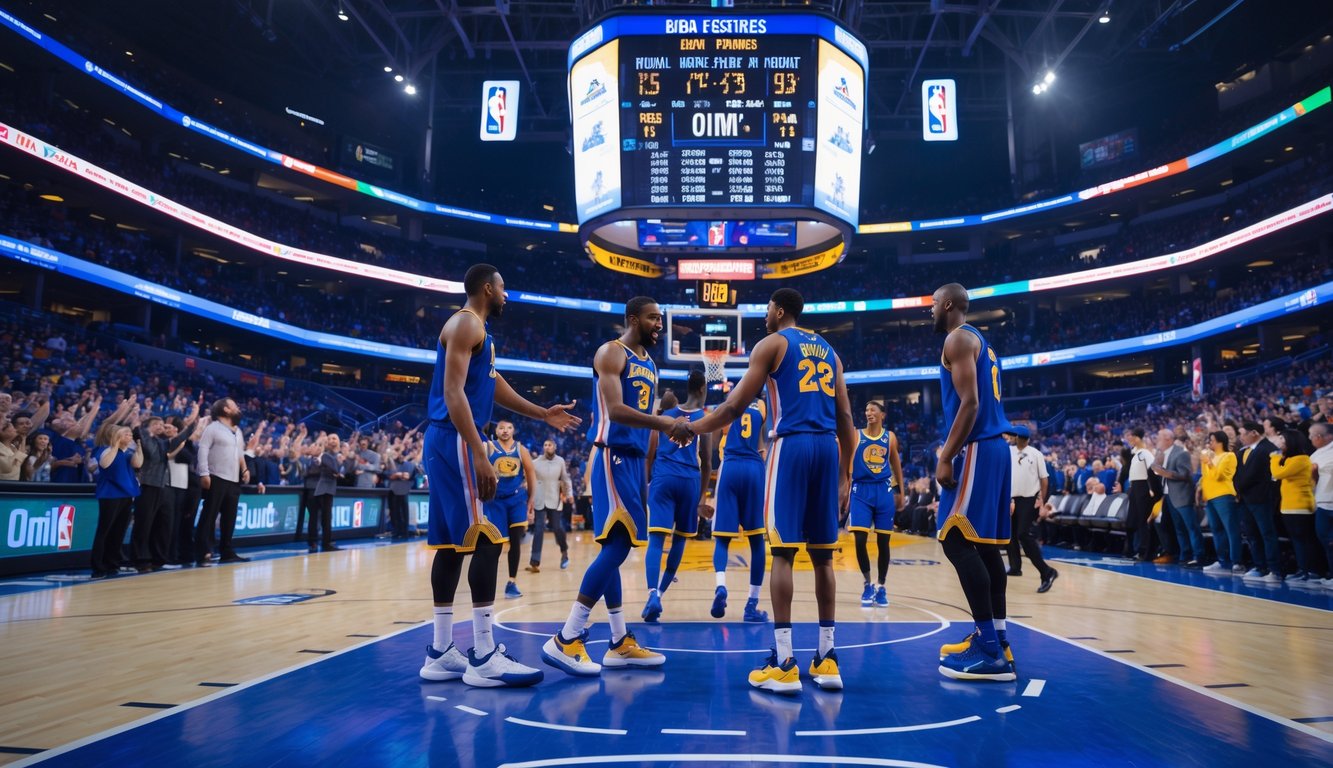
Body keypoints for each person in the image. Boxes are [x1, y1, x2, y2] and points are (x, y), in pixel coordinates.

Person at [672, 287, 857, 694]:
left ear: (779, 310)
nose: (765, 316)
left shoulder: (772, 344)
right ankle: (827, 658)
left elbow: (732, 407)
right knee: (824, 558)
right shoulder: (830, 351)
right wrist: (846, 474)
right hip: (828, 448)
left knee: (784, 553)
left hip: (790, 446)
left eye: (768, 309)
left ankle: (785, 661)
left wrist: (692, 427)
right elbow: (846, 416)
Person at [419, 264, 579, 689]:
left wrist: (542, 413)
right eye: (504, 288)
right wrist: (479, 449)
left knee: (452, 545)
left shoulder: (478, 332)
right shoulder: (466, 324)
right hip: (457, 438)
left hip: (446, 439)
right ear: (488, 289)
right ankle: (484, 655)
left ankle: (440, 651)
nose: (508, 295)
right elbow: (453, 392)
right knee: (489, 538)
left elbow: (493, 385)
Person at [541, 296, 676, 679]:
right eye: (653, 318)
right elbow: (616, 410)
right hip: (612, 455)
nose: (659, 324)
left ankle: (618, 641)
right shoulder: (611, 353)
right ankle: (567, 637)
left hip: (634, 461)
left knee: (615, 549)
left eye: (660, 318)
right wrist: (666, 423)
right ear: (633, 318)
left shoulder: (650, 364)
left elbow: (645, 419)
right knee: (617, 547)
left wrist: (651, 457)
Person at [929, 283, 1016, 682]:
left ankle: (989, 650)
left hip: (980, 446)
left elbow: (971, 402)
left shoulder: (958, 339)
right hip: (995, 447)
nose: (930, 310)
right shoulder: (983, 343)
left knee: (954, 538)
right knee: (984, 547)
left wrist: (946, 456)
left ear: (948, 304)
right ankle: (998, 639)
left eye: (933, 303)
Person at [643, 370, 712, 623]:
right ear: (702, 389)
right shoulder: (704, 420)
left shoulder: (667, 415)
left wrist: (647, 484)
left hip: (664, 477)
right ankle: (661, 593)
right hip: (689, 481)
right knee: (680, 541)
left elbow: (649, 454)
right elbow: (706, 462)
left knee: (656, 540)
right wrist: (700, 499)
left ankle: (652, 594)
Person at [708, 395, 769, 623]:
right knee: (756, 540)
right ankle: (751, 605)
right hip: (754, 468)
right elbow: (761, 445)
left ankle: (721, 586)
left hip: (731, 466)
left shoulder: (727, 403)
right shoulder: (761, 406)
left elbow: (713, 440)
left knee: (722, 539)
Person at [847, 400, 903, 609]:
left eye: (873, 410)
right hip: (861, 490)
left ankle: (881, 586)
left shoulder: (890, 438)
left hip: (883, 491)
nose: (868, 413)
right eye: (866, 410)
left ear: (882, 415)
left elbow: (896, 464)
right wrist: (845, 487)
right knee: (860, 539)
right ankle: (867, 583)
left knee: (883, 542)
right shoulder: (856, 435)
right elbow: (848, 464)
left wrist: (901, 492)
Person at [132, 406, 198, 573]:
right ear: (148, 427)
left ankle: (159, 559)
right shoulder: (143, 438)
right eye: (157, 424)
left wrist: (192, 424)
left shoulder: (162, 443)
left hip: (162, 486)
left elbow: (181, 437)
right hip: (147, 486)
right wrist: (136, 417)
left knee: (163, 524)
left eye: (162, 424)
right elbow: (137, 430)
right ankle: (140, 560)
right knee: (144, 525)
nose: (161, 426)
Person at [484, 419, 536, 599]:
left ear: (514, 430)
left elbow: (531, 474)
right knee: (495, 545)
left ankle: (511, 582)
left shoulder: (521, 449)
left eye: (509, 427)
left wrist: (531, 499)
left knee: (516, 541)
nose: (505, 430)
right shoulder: (488, 447)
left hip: (517, 499)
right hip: (495, 501)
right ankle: (488, 582)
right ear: (496, 431)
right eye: (501, 428)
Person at [195, 398, 251, 566]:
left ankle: (226, 551)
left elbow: (240, 453)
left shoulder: (237, 431)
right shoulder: (212, 428)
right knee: (209, 515)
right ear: (226, 409)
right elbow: (202, 449)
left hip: (233, 479)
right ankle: (202, 552)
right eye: (234, 405)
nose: (238, 408)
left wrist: (245, 469)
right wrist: (204, 473)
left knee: (229, 518)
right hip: (215, 476)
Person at [1007, 426, 1058, 593]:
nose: (1020, 440)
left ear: (1026, 439)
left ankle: (1047, 572)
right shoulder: (1009, 452)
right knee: (1010, 534)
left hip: (1029, 499)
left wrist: (1042, 500)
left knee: (1023, 534)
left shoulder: (1036, 454)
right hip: (1012, 499)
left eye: (1022, 438)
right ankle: (1015, 567)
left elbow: (1044, 480)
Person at [89, 423, 142, 579]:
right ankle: (98, 565)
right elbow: (105, 464)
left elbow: (138, 464)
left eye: (130, 434)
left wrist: (139, 446)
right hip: (110, 494)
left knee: (119, 530)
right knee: (105, 529)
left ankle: (112, 562)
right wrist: (116, 444)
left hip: (126, 494)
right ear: (115, 436)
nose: (129, 436)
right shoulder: (105, 450)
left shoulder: (128, 452)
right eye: (126, 434)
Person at [1233, 421, 1281, 583]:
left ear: (1254, 433)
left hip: (1261, 498)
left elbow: (1261, 476)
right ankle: (1260, 566)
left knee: (1267, 534)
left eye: (1243, 434)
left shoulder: (1269, 449)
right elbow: (1236, 474)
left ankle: (1274, 569)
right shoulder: (1242, 451)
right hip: (1244, 499)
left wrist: (1238, 487)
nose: (1240, 437)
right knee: (1252, 534)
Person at [1151, 429, 1204, 568]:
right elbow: (1155, 470)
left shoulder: (1181, 453)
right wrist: (1156, 464)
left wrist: (1166, 473)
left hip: (1182, 496)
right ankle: (1184, 556)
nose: (1156, 440)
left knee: (1191, 527)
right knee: (1179, 529)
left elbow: (1185, 474)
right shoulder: (1162, 454)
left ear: (1168, 438)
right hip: (1168, 496)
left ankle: (1199, 556)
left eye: (1159, 438)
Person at [1270, 429, 1317, 582]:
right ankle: (1303, 569)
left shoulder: (1302, 459)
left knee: (1303, 540)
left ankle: (1309, 571)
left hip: (1300, 506)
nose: (1280, 443)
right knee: (1297, 540)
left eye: (1282, 439)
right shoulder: (1289, 459)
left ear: (1291, 441)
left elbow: (1277, 474)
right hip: (1289, 506)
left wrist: (1274, 457)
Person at [1199, 431, 1242, 575]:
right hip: (1210, 497)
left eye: (1212, 440)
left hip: (1224, 495)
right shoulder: (1209, 458)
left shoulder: (1229, 456)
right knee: (1216, 529)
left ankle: (1236, 562)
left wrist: (1209, 463)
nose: (1209, 443)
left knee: (1231, 529)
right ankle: (1222, 561)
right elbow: (1206, 478)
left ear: (1220, 442)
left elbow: (1219, 476)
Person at [528, 439, 572, 571]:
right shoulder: (535, 462)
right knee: (538, 529)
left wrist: (569, 494)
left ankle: (564, 552)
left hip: (555, 498)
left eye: (550, 445)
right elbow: (530, 479)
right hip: (539, 498)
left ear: (555, 447)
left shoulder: (560, 461)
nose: (547, 447)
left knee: (557, 527)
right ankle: (535, 561)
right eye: (545, 445)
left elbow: (565, 478)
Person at [1124, 428, 1159, 561]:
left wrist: (1151, 488)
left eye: (1132, 437)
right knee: (1133, 520)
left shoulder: (1145, 453)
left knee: (1143, 520)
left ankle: (1145, 551)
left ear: (1138, 438)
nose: (1130, 440)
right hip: (1134, 487)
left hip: (1143, 487)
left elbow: (1153, 471)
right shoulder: (1135, 454)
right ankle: (1133, 549)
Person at [309, 434, 345, 553]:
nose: (331, 441)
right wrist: (337, 470)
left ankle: (324, 542)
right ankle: (321, 542)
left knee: (325, 517)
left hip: (328, 488)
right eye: (329, 439)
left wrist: (339, 471)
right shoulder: (325, 455)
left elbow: (342, 472)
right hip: (322, 488)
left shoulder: (338, 455)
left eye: (334, 438)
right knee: (322, 517)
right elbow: (335, 471)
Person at [1308, 422, 1333, 588]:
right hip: (1322, 501)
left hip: (1328, 499)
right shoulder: (1315, 454)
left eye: (1311, 436)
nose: (1310, 439)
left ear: (1319, 437)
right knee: (1326, 540)